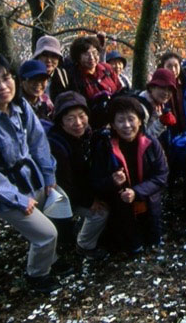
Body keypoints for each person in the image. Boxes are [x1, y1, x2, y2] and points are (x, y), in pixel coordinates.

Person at [0, 53, 73, 293]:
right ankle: (37, 275)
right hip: (6, 194)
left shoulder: (20, 106)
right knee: (47, 234)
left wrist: (49, 178)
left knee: (62, 206)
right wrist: (20, 201)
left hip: (34, 178)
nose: (2, 87)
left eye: (6, 78)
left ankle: (50, 258)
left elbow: (38, 142)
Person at [90, 95, 169, 254]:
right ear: (112, 124)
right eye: (120, 121)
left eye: (131, 119)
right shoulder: (105, 147)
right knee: (133, 248)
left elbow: (162, 175)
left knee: (154, 241)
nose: (127, 125)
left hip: (149, 204)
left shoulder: (151, 143)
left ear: (140, 121)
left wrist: (137, 192)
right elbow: (95, 182)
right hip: (120, 210)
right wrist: (112, 181)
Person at [46, 91, 109, 260]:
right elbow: (65, 185)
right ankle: (85, 245)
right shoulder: (56, 145)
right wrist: (89, 201)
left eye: (82, 116)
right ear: (61, 121)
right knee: (100, 212)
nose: (78, 123)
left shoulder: (87, 133)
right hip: (58, 195)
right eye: (70, 118)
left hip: (81, 185)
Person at [159, 51, 186, 135]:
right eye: (169, 66)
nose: (173, 70)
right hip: (168, 133)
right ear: (163, 67)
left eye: (176, 66)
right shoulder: (159, 87)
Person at [68, 36, 122, 101]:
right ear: (78, 57)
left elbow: (120, 89)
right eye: (86, 54)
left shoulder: (107, 68)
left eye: (94, 53)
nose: (91, 58)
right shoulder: (75, 77)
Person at [139, 68, 178, 139]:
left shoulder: (159, 102)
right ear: (151, 87)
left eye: (169, 89)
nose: (166, 93)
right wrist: (161, 123)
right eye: (162, 88)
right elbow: (142, 139)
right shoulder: (142, 107)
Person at [32, 35, 69, 101]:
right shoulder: (29, 77)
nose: (49, 60)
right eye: (45, 55)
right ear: (37, 57)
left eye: (53, 56)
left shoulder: (64, 75)